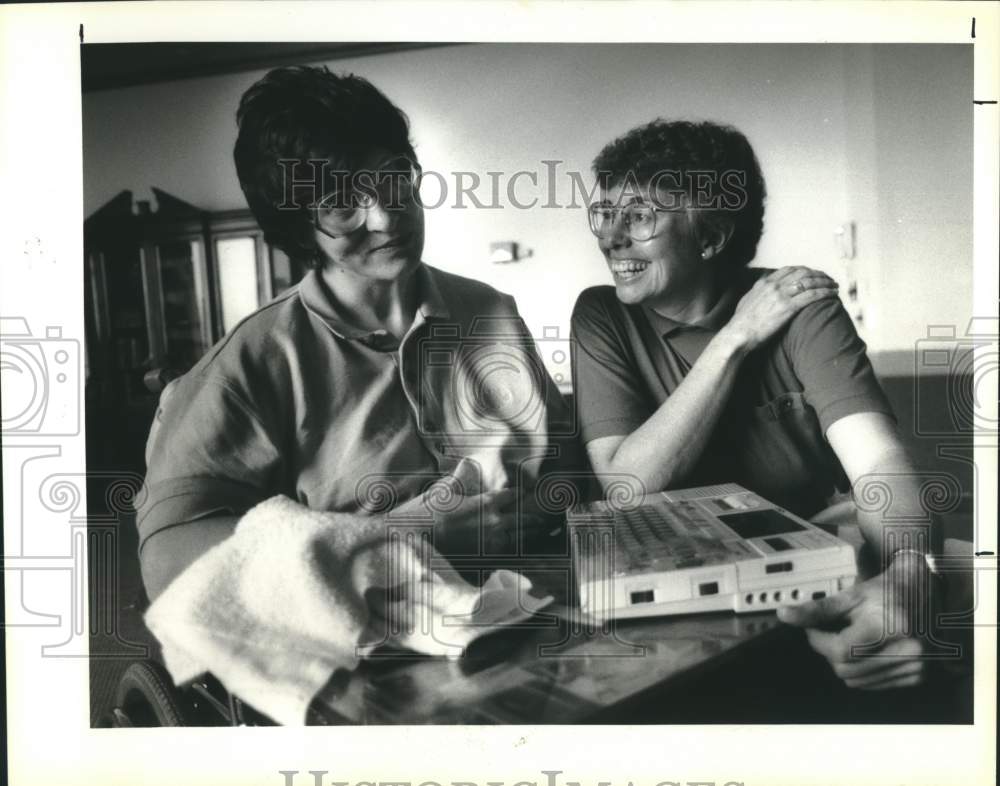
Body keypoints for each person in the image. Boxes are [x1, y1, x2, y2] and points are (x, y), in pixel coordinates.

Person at [137, 66, 579, 601]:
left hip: (544, 607)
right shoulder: (251, 365)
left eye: (394, 179)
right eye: (343, 204)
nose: (387, 218)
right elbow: (166, 564)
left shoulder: (491, 312)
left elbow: (565, 470)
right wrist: (407, 538)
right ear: (298, 226)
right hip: (371, 652)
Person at [571, 119, 940, 691]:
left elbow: (878, 465)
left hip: (805, 579)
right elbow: (626, 484)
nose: (610, 236)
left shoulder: (801, 305)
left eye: (639, 215)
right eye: (604, 213)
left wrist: (912, 573)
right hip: (671, 598)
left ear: (712, 236)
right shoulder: (601, 316)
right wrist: (735, 338)